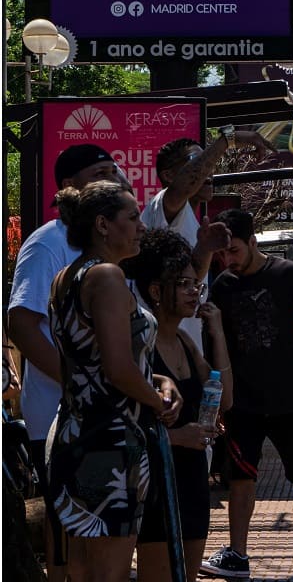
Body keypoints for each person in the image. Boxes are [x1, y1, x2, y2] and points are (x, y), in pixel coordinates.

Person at [44, 181, 183, 582]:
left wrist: (159, 381)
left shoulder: (65, 277)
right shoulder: (106, 277)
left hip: (76, 431)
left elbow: (92, 362)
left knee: (83, 567)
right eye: (133, 217)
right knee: (109, 571)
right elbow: (118, 370)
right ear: (103, 225)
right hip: (110, 441)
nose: (142, 227)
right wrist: (159, 404)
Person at [6, 144, 129, 582]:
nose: (113, 178)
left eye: (114, 170)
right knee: (68, 540)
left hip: (102, 419)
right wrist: (81, 382)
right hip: (61, 421)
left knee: (96, 537)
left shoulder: (106, 247)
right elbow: (21, 323)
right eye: (100, 172)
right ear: (68, 186)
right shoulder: (47, 242)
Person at [201, 209, 293, 578]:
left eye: (234, 251)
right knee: (241, 477)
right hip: (243, 403)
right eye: (223, 255)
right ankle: (238, 553)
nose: (228, 260)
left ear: (252, 241)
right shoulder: (222, 285)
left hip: (288, 398)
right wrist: (215, 398)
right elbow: (212, 345)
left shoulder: (288, 274)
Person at [123, 229, 233, 582]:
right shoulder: (139, 347)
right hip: (155, 482)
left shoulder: (185, 341)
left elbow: (224, 399)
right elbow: (124, 423)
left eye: (196, 284)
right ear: (156, 291)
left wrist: (217, 332)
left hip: (192, 479)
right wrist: (177, 437)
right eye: (183, 283)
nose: (193, 291)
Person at [139, 131, 274, 354]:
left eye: (208, 162)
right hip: (157, 351)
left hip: (187, 348)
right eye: (196, 161)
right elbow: (184, 186)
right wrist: (229, 139)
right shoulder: (163, 205)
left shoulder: (192, 221)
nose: (208, 170)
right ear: (170, 176)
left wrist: (206, 248)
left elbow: (191, 276)